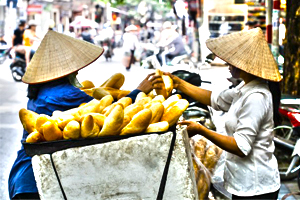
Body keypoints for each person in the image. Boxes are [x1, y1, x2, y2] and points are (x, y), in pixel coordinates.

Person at [8, 30, 160, 199]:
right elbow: (110, 113)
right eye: (74, 68)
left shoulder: (41, 91)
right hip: (38, 181)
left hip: (23, 175)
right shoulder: (67, 94)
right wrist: (139, 91)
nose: (78, 72)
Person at [163, 28, 282, 199]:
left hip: (256, 187)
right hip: (242, 182)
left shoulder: (256, 96)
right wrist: (179, 84)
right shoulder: (245, 88)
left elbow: (241, 147)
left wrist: (201, 130)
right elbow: (216, 99)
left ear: (244, 63)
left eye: (232, 60)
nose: (228, 64)